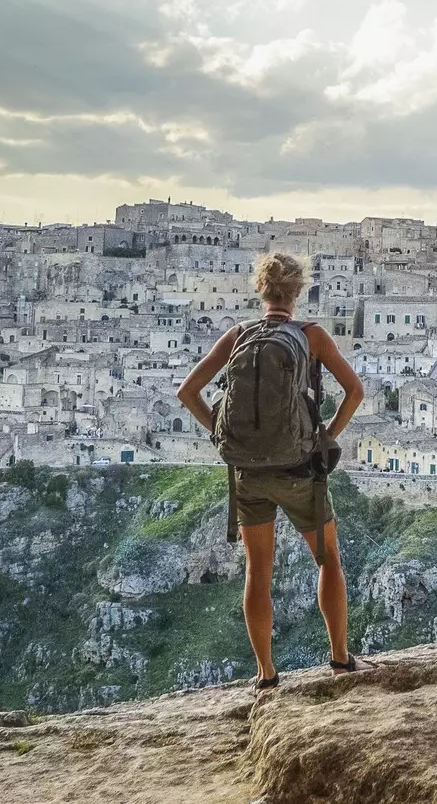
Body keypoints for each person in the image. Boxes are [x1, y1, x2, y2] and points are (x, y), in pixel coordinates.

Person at [176, 252, 365, 685]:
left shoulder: (238, 335)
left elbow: (188, 392)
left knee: (257, 573)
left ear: (260, 290)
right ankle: (339, 658)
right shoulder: (312, 335)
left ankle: (265, 674)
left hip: (247, 473)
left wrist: (222, 436)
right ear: (298, 291)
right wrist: (326, 437)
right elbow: (355, 391)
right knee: (328, 560)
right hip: (299, 469)